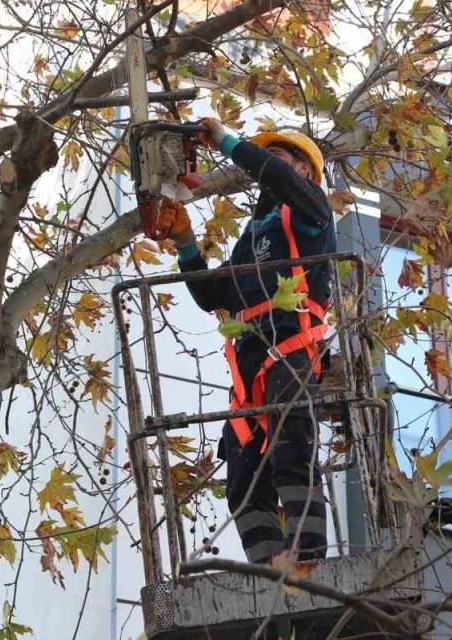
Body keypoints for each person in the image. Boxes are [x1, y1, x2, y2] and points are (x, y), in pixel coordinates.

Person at [151, 118, 336, 564]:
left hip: (291, 347)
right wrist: (185, 242)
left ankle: (307, 557)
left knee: (292, 443)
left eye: (280, 157)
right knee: (243, 469)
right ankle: (267, 563)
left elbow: (275, 176)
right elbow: (213, 295)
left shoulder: (310, 214)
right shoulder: (251, 241)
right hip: (251, 361)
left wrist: (225, 141)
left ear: (304, 173)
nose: (267, 166)